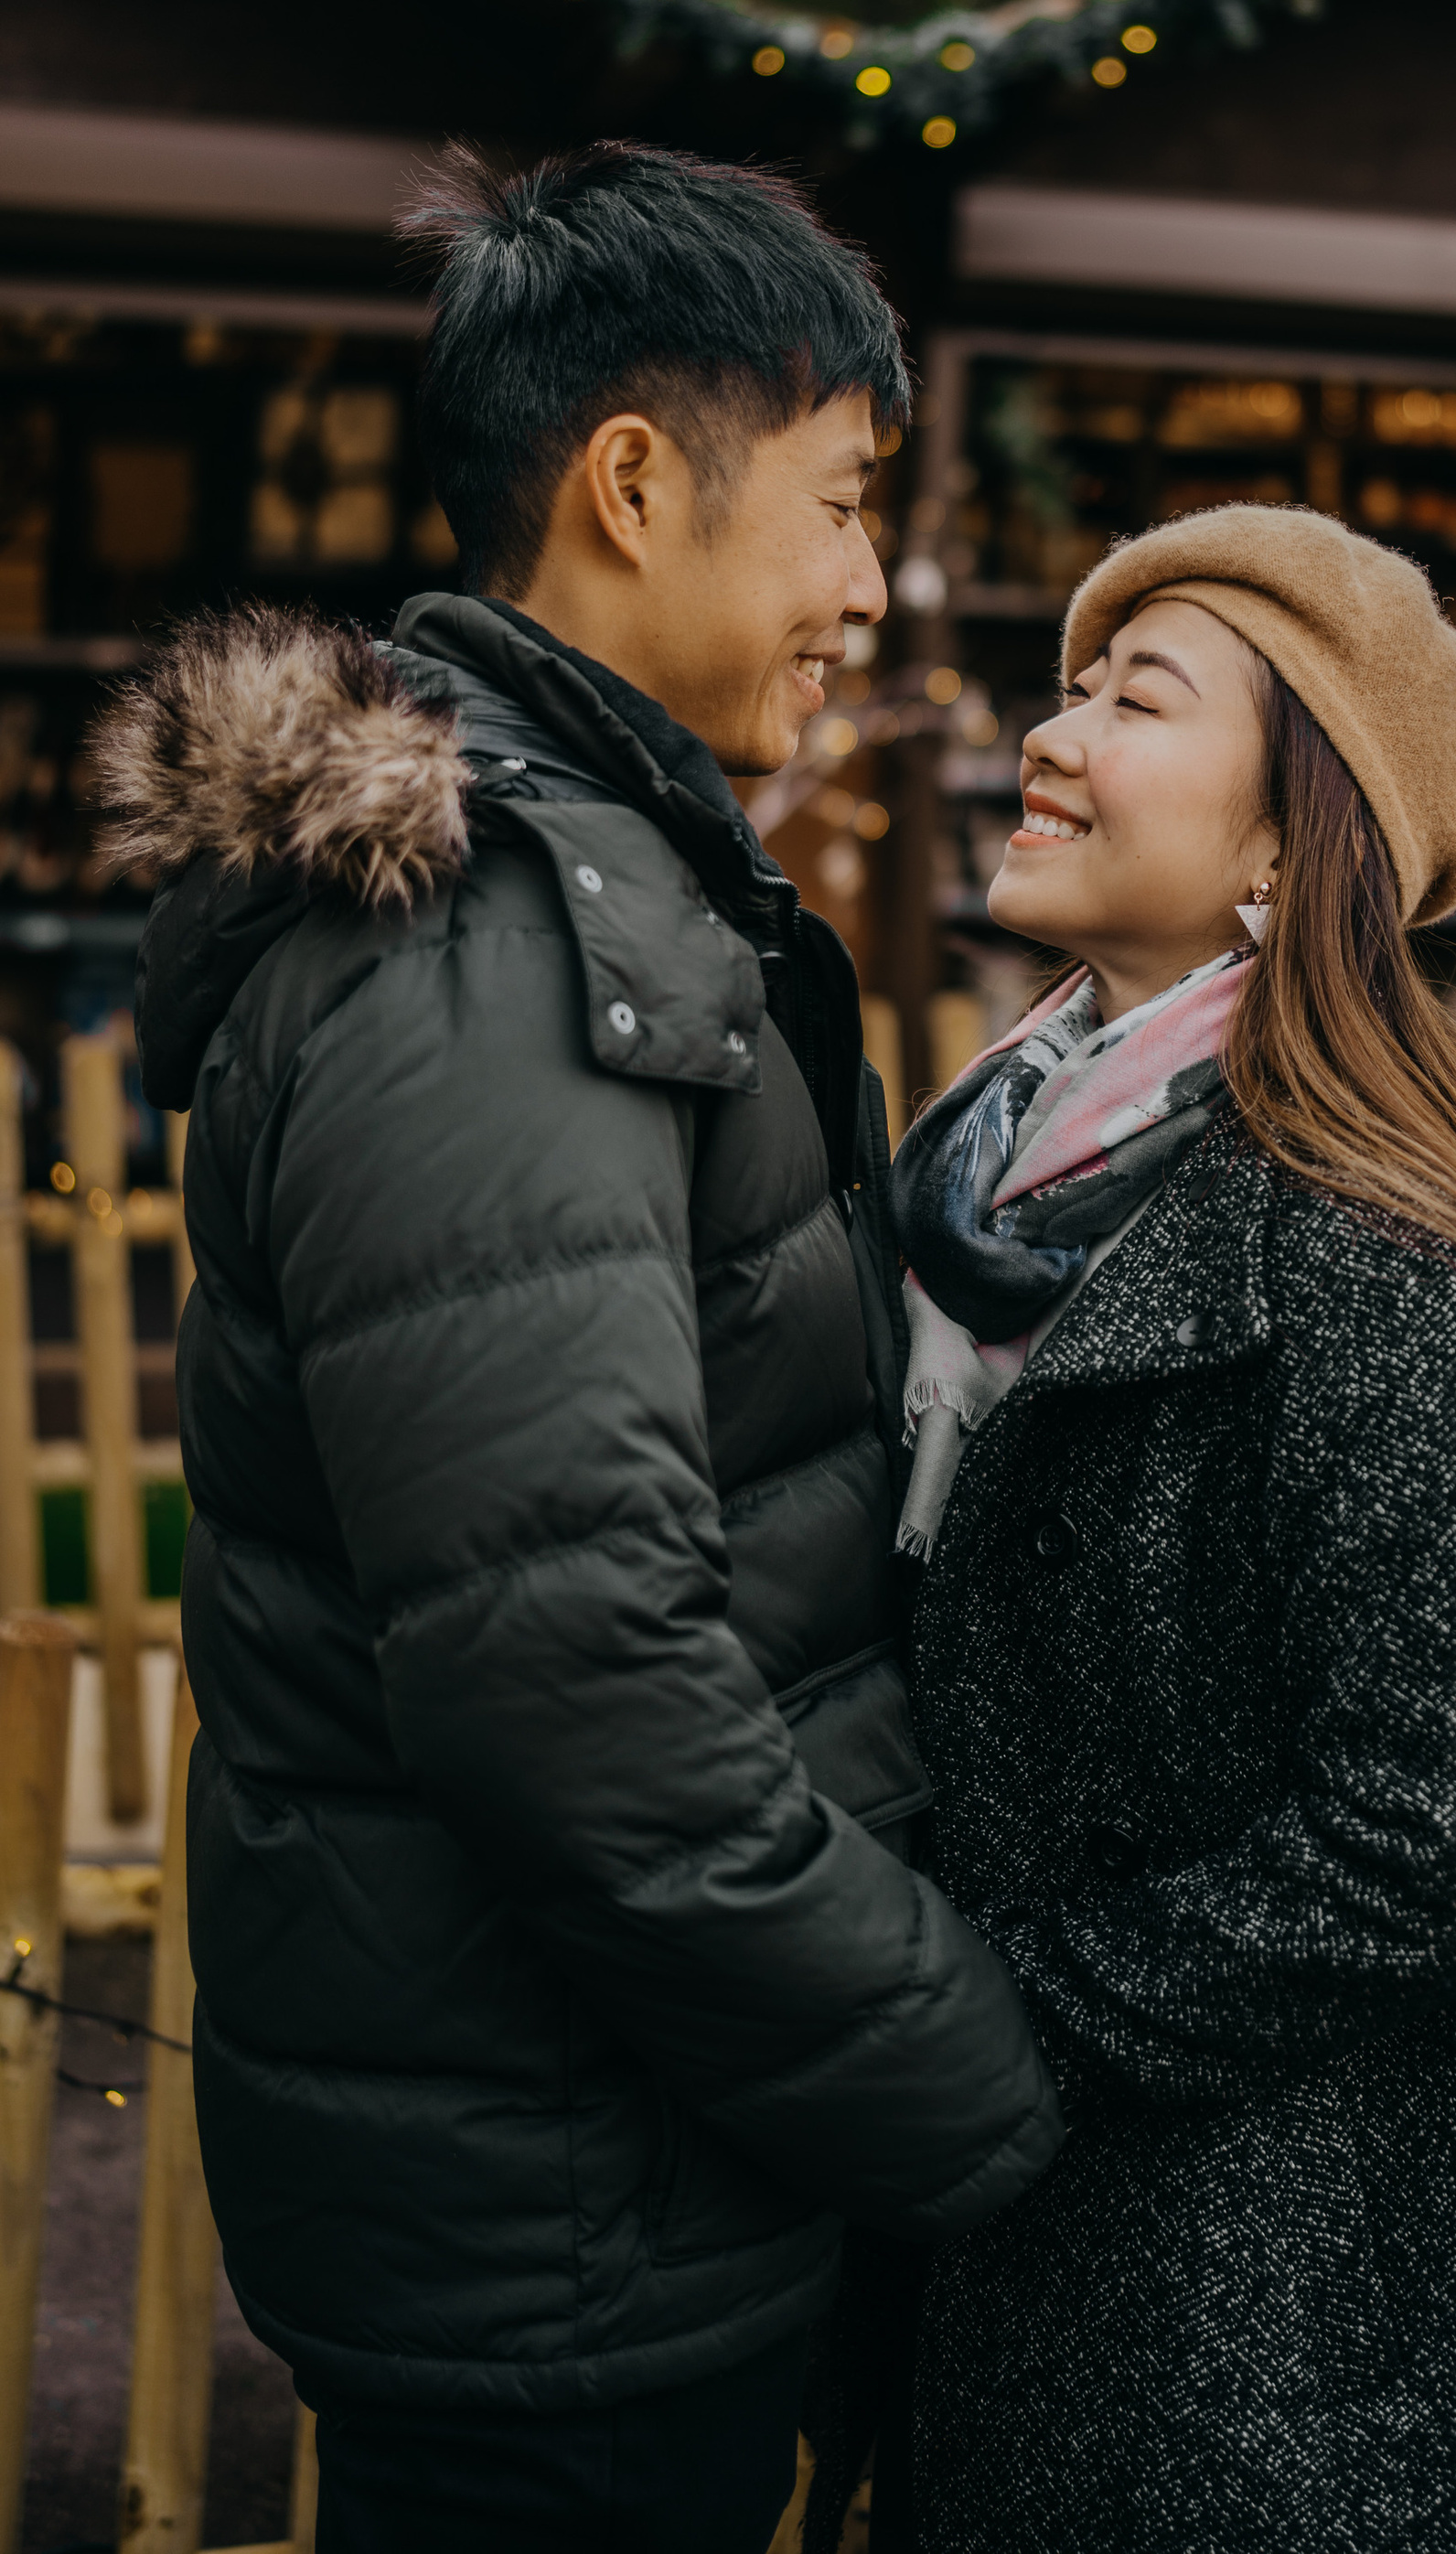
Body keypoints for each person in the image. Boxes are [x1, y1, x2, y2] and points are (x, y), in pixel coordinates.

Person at [91, 145, 1061, 2554]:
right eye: (844, 504)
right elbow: (580, 1680)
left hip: (563, 2146)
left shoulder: (566, 889)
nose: (869, 585)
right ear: (635, 483)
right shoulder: (488, 949)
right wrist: (974, 2091)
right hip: (562, 2197)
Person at [890, 502, 1456, 2554]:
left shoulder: (1369, 1253)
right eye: (1072, 682)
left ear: (1284, 852)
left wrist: (1000, 2019)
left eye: (1136, 699)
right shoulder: (985, 1183)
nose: (1051, 733)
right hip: (1030, 2274)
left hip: (1284, 2344)